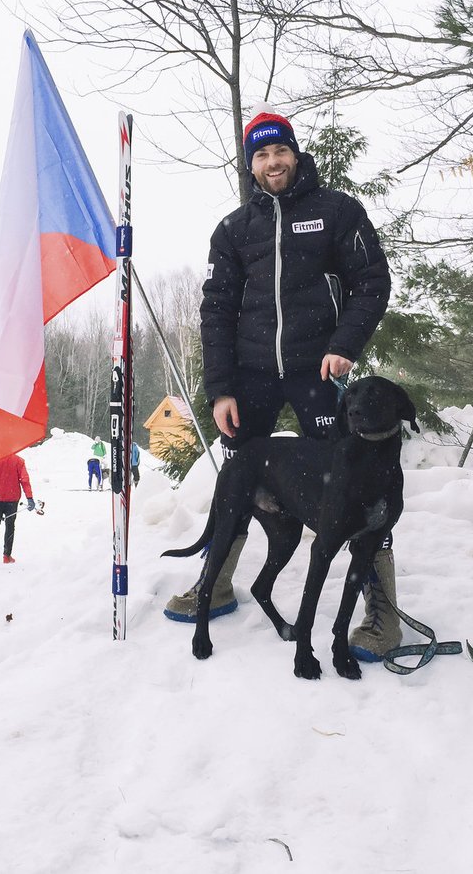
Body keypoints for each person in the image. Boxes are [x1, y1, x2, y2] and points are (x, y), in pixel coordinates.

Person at [163, 103, 402, 662]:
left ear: (296, 155)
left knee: (357, 481)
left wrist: (344, 345)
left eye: (281, 151)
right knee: (240, 476)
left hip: (317, 370)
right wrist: (221, 389)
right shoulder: (234, 230)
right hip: (250, 378)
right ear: (251, 165)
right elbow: (215, 311)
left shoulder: (337, 212)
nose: (273, 162)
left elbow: (372, 280)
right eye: (262, 154)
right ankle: (216, 583)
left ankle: (382, 610)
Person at [0, 451, 35, 565]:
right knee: (10, 526)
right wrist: (29, 498)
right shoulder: (19, 461)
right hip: (12, 500)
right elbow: (25, 480)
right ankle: (7, 556)